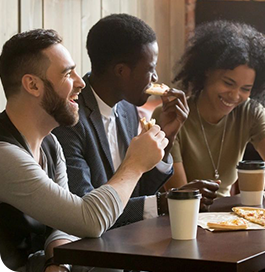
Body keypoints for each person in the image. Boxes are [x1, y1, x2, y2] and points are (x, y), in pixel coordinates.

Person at [0, 29, 167, 272]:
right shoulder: (5, 155)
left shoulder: (50, 144)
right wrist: (134, 164)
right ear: (33, 85)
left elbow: (62, 223)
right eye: (68, 74)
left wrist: (57, 262)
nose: (80, 83)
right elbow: (88, 221)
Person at [53, 14, 219, 225]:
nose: (156, 78)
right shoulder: (70, 120)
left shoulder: (127, 108)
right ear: (121, 71)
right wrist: (163, 203)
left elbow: (136, 191)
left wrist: (167, 135)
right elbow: (86, 210)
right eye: (150, 69)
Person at [153, 20, 265, 197]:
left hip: (228, 217)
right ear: (207, 71)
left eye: (245, 89)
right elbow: (181, 196)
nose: (235, 95)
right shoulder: (171, 116)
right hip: (182, 216)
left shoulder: (250, 113)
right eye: (228, 83)